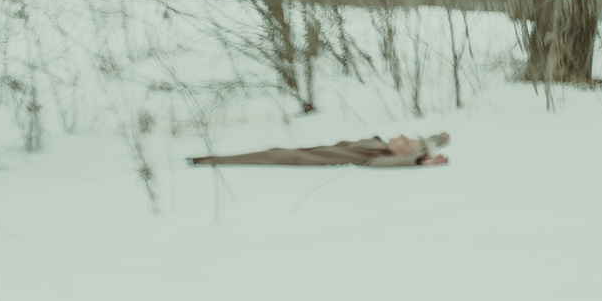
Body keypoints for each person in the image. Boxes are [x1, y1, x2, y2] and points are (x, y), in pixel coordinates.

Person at [189, 131, 448, 168]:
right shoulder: (382, 146)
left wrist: (420, 162)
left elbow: (389, 164)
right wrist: (440, 137)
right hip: (311, 148)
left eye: (406, 141)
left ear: (402, 153)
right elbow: (424, 142)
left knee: (268, 156)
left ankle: (209, 160)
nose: (401, 136)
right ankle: (208, 159)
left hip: (304, 158)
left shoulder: (376, 157)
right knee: (272, 150)